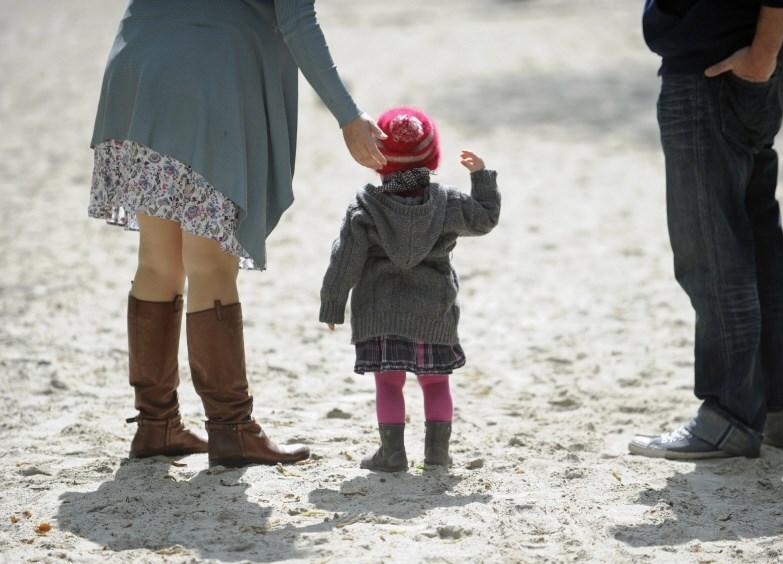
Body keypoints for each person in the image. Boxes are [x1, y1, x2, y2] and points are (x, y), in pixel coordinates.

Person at [88, 0, 387, 467]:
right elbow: (297, 21)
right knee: (210, 265)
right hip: (206, 82)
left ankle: (156, 424)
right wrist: (349, 116)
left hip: (136, 72)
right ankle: (231, 429)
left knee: (157, 261)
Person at [629, 0, 783, 459]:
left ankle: (730, 417)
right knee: (759, 247)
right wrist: (779, 47)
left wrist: (767, 51)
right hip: (748, 63)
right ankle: (781, 410)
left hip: (710, 73)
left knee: (711, 255)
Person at [319, 107, 501, 472]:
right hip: (433, 311)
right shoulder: (447, 203)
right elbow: (484, 218)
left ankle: (392, 453)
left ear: (378, 159)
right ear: (432, 155)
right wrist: (481, 177)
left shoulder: (366, 207)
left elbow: (345, 258)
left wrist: (333, 304)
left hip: (380, 313)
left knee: (388, 384)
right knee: (436, 384)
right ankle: (436, 454)